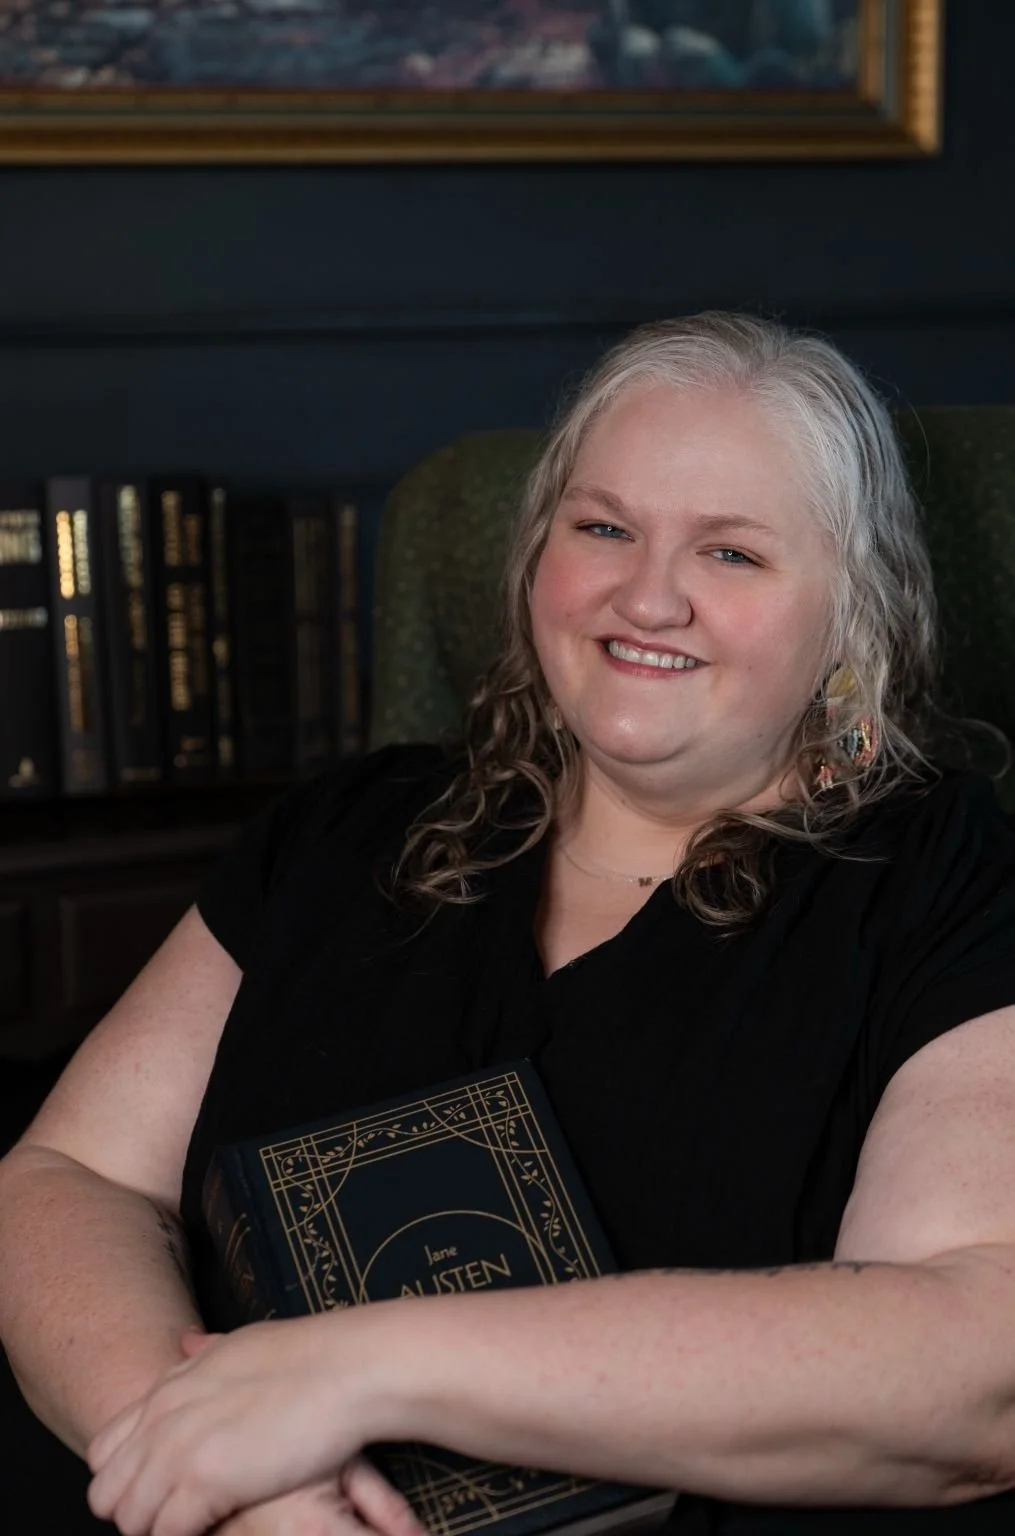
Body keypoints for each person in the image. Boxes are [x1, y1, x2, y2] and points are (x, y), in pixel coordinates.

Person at [2, 311, 1015, 1536]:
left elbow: (975, 1367)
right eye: (603, 529)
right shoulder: (348, 828)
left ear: (853, 617)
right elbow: (66, 1179)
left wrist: (358, 1369)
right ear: (536, 552)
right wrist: (202, 1468)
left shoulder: (945, 881)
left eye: (732, 553)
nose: (648, 596)